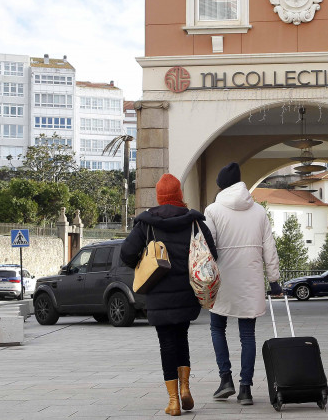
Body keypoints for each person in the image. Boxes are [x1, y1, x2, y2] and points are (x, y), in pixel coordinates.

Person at [120, 173, 217, 417]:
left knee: (166, 344)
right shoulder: (194, 222)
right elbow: (212, 253)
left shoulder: (147, 224)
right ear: (179, 195)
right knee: (181, 338)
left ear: (160, 196)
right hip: (186, 295)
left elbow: (126, 254)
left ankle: (173, 401)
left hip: (158, 295)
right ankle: (185, 387)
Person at [204, 162, 281, 406]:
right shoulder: (258, 211)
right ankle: (245, 389)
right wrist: (275, 281)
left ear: (221, 185)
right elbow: (269, 248)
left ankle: (225, 379)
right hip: (251, 280)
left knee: (217, 328)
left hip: (223, 280)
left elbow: (208, 248)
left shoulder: (213, 210)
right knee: (248, 335)